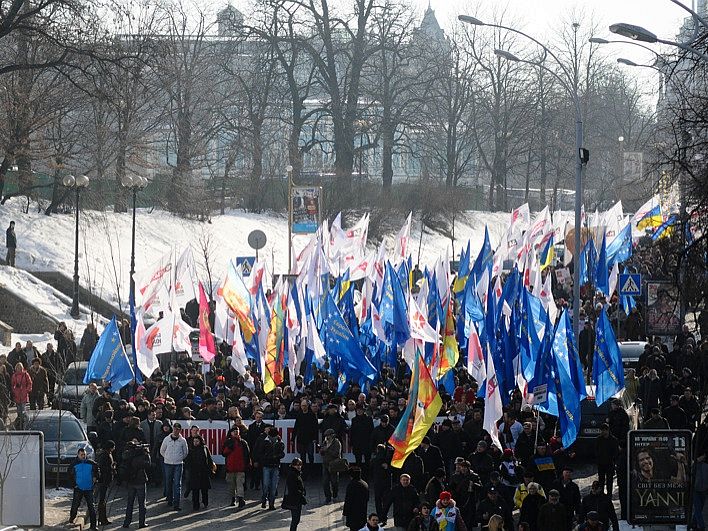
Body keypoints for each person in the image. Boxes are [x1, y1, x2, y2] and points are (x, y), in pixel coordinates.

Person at [121, 438, 151, 528]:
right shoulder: (141, 455)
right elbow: (148, 465)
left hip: (130, 481)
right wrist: (147, 454)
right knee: (142, 504)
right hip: (140, 480)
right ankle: (141, 523)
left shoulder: (127, 454)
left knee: (130, 503)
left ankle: (127, 522)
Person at [159, 422, 189, 511]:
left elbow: (185, 452)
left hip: (178, 464)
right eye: (175, 428)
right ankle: (169, 499)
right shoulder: (167, 439)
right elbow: (162, 450)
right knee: (168, 482)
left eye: (178, 429)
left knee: (177, 484)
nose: (176, 430)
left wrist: (179, 458)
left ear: (180, 430)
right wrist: (168, 457)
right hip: (167, 464)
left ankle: (177, 503)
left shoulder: (183, 440)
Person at [254, 426, 285, 510]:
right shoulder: (265, 442)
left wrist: (276, 456)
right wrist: (266, 458)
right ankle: (264, 498)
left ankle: (271, 503)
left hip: (275, 466)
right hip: (266, 466)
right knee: (266, 485)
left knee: (273, 486)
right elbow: (259, 453)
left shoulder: (279, 442)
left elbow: (282, 454)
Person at [68, 448, 98, 530]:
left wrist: (95, 478)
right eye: (81, 455)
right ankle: (72, 518)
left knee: (91, 507)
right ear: (78, 455)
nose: (83, 456)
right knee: (75, 505)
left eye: (84, 454)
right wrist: (74, 485)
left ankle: (93, 526)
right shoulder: (74, 464)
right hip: (78, 488)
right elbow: (69, 475)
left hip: (89, 488)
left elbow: (97, 470)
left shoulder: (91, 463)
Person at [222, 426, 250, 508]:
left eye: (237, 431)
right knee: (231, 485)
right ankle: (232, 499)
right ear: (231, 433)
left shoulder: (243, 442)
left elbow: (247, 454)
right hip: (230, 468)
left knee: (240, 484)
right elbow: (223, 453)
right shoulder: (227, 442)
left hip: (240, 468)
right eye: (234, 431)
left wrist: (247, 464)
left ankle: (240, 499)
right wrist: (228, 448)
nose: (235, 432)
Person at [185, 435, 214, 511]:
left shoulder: (204, 448)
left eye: (197, 441)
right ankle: (196, 505)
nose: (195, 443)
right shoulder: (190, 449)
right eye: (194, 441)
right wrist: (189, 469)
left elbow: (209, 459)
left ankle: (205, 502)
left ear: (200, 441)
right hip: (194, 472)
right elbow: (187, 461)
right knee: (195, 490)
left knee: (204, 489)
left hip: (203, 471)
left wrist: (210, 469)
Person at [294, 399, 319, 478]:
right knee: (302, 457)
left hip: (310, 439)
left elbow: (315, 428)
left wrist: (315, 438)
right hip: (301, 439)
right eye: (302, 406)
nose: (303, 407)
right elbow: (296, 427)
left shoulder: (312, 415)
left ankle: (312, 472)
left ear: (307, 406)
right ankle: (304, 473)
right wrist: (292, 439)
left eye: (304, 405)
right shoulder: (299, 415)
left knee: (311, 456)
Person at [283, 458, 307, 531]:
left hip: (296, 500)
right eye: (297, 465)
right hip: (294, 500)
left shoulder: (296, 473)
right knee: (295, 519)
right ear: (293, 465)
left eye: (300, 464)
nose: (299, 466)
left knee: (296, 519)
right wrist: (301, 494)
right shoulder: (292, 474)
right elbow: (293, 488)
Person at [595, 423, 618, 495]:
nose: (603, 432)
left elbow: (616, 452)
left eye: (605, 430)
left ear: (608, 430)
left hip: (610, 463)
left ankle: (609, 495)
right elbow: (595, 450)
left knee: (609, 481)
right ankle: (601, 494)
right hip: (601, 463)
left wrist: (613, 460)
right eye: (602, 430)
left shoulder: (614, 440)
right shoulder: (598, 439)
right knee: (601, 481)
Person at [95, 440, 115, 526]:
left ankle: (102, 518)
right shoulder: (105, 455)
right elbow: (104, 468)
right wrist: (112, 468)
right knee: (102, 501)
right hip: (104, 480)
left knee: (103, 500)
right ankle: (102, 519)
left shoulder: (104, 454)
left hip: (104, 480)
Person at [321, 427, 343, 503]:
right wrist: (322, 450)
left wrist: (327, 449)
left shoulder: (337, 443)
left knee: (334, 482)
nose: (327, 437)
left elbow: (336, 454)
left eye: (328, 435)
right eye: (326, 435)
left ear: (332, 435)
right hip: (325, 464)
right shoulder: (325, 442)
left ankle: (335, 494)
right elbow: (322, 452)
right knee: (325, 482)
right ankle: (328, 497)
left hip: (334, 465)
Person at [343, 467, 369, 531]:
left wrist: (345, 512)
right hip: (362, 514)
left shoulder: (351, 485)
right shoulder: (365, 484)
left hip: (353, 516)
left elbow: (348, 500)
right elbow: (367, 498)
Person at [10, 362, 31, 428]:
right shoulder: (14, 375)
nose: (19, 368)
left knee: (23, 409)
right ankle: (19, 422)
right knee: (18, 410)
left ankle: (24, 421)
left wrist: (27, 390)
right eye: (17, 367)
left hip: (24, 393)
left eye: (20, 367)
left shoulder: (25, 374)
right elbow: (12, 384)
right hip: (17, 394)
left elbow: (29, 383)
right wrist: (14, 390)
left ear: (22, 368)